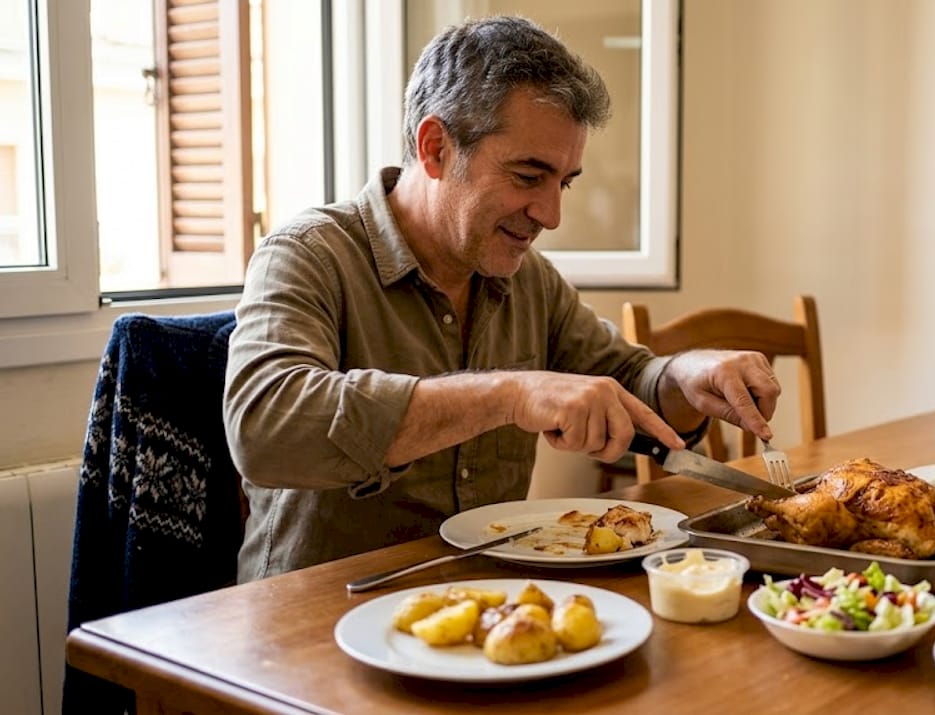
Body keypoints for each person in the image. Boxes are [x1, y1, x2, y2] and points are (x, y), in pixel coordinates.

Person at [223, 15, 780, 582]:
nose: (552, 215)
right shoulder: (307, 254)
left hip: (490, 610)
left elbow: (630, 388)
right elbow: (265, 428)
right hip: (314, 621)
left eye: (563, 182)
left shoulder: (529, 280)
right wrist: (507, 395)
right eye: (528, 175)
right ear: (436, 148)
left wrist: (686, 375)